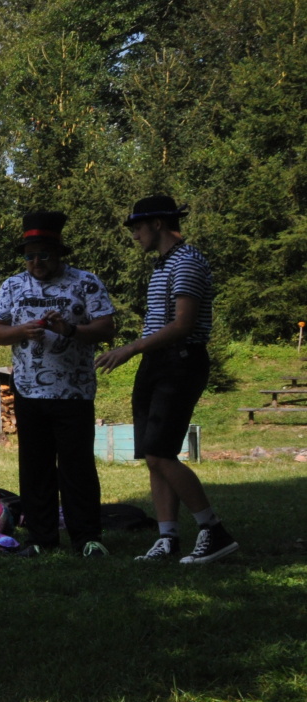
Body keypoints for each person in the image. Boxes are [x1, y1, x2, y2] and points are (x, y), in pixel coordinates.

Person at [96, 194, 238, 564]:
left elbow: (183, 324)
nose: (134, 235)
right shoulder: (163, 265)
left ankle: (213, 531)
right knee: (154, 455)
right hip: (157, 363)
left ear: (157, 224)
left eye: (137, 228)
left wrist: (131, 348)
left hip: (180, 362)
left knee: (160, 452)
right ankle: (167, 538)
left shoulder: (187, 261)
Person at [0, 211, 116, 557]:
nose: (36, 263)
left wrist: (69, 330)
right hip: (29, 391)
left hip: (74, 391)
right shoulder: (13, 285)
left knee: (77, 468)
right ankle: (41, 539)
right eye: (30, 256)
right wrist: (21, 331)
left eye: (43, 255)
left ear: (58, 253)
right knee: (35, 468)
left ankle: (86, 538)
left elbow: (107, 328)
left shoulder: (85, 282)